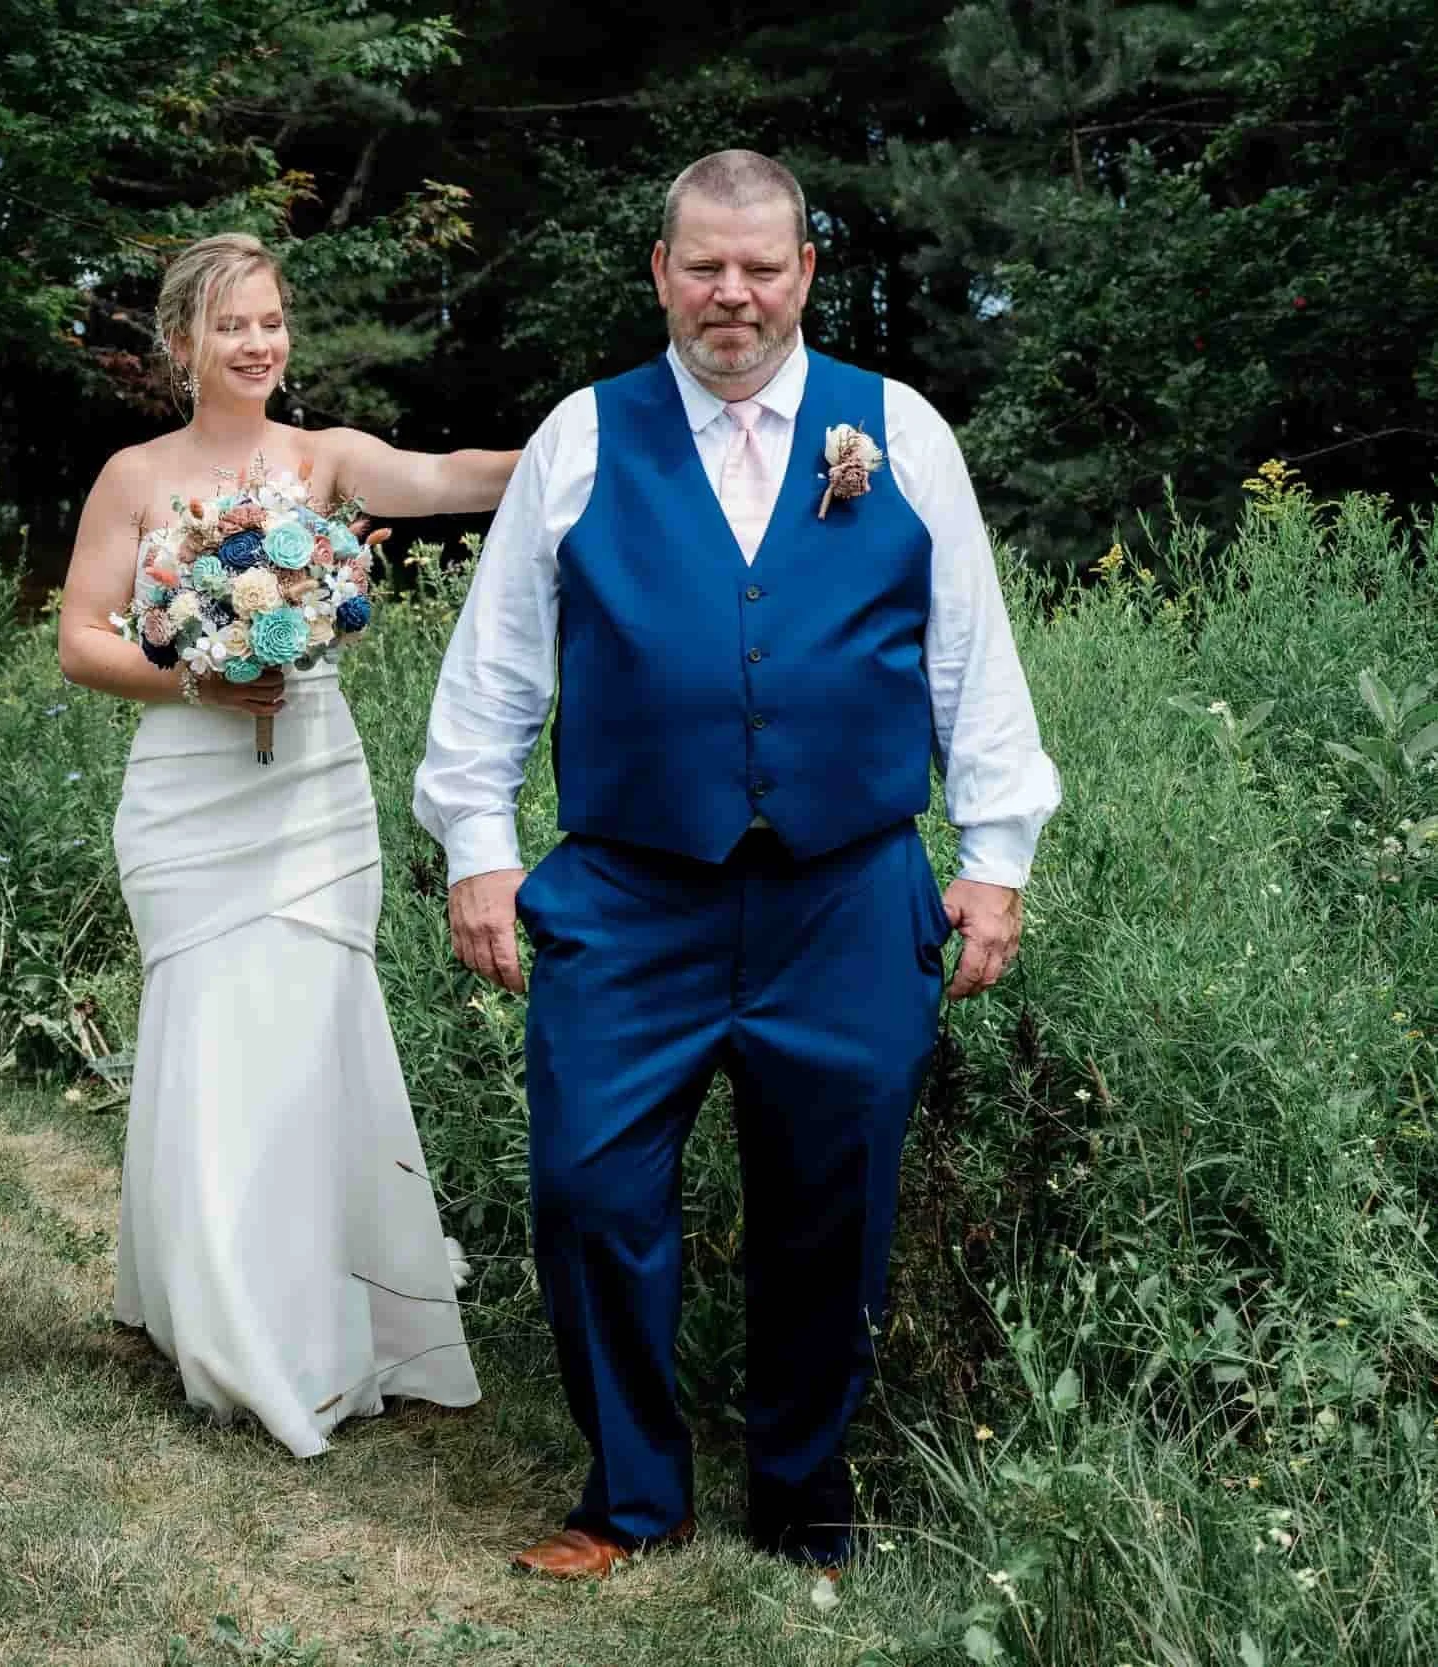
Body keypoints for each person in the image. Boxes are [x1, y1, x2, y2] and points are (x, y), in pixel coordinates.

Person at [411, 151, 1061, 1577]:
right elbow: (499, 666)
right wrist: (476, 844)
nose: (733, 294)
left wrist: (996, 854)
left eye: (762, 267)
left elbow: (973, 661)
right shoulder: (582, 438)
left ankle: (803, 1501)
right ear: (660, 271)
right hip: (631, 890)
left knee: (834, 1203)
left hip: (848, 888)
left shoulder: (901, 434)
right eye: (704, 265)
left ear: (806, 274)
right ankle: (632, 1496)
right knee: (589, 1185)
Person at [58, 232, 518, 1455]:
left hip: (313, 791)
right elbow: (81, 640)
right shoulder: (134, 474)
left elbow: (450, 475)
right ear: (180, 346)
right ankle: (229, 1331)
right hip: (188, 797)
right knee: (214, 1042)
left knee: (311, 1042)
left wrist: (584, 449)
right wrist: (197, 679)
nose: (258, 343)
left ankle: (330, 1326)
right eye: (231, 327)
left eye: (271, 321)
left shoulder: (324, 461)